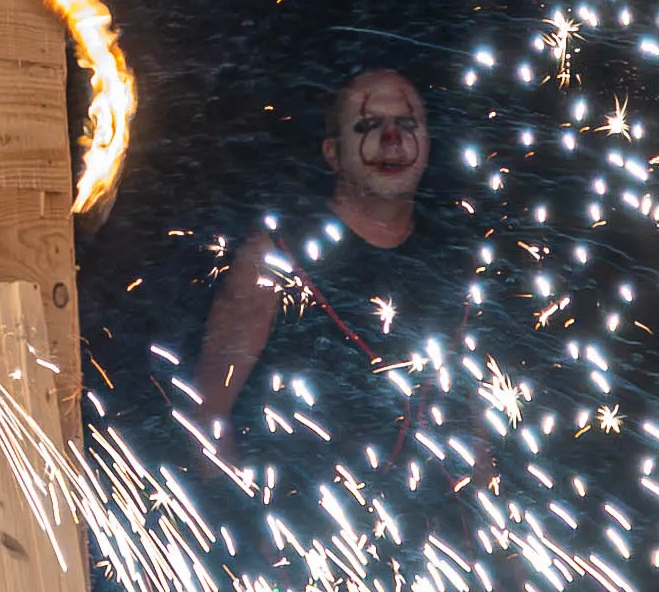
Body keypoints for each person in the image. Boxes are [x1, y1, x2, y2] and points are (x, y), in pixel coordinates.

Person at [182, 66, 465, 430]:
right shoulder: (275, 258)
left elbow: (470, 418)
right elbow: (208, 417)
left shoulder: (450, 261)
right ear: (333, 153)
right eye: (368, 125)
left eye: (407, 124)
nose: (393, 138)